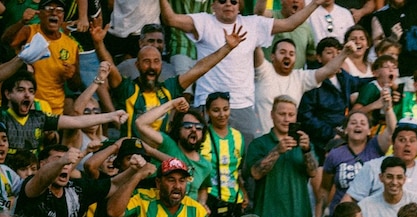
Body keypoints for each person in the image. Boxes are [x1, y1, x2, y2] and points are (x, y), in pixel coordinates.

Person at [158, 0, 321, 135]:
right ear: (213, 5)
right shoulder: (203, 21)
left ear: (240, 5)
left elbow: (290, 24)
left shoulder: (253, 24)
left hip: (243, 104)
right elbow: (170, 19)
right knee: (209, 158)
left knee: (246, 162)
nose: (228, 4)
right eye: (222, 1)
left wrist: (315, 3)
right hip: (208, 103)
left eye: (234, 1)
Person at [96, 19, 244, 139]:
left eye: (156, 61)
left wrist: (227, 48)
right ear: (137, 65)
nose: (152, 67)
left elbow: (200, 68)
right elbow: (110, 66)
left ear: (162, 64)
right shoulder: (127, 89)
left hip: (161, 154)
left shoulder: (169, 87)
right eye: (146, 62)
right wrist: (98, 43)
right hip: (132, 155)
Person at [245, 96, 320, 217]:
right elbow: (255, 173)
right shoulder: (259, 144)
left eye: (291, 115)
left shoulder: (304, 144)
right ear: (272, 115)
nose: (287, 119)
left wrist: (307, 151)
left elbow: (313, 172)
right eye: (282, 114)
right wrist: (277, 151)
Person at [252, 37, 351, 138]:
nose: (287, 56)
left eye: (291, 54)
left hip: (287, 142)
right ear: (272, 56)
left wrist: (344, 53)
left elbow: (328, 70)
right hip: (260, 139)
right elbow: (255, 47)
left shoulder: (300, 78)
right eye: (282, 52)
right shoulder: (264, 71)